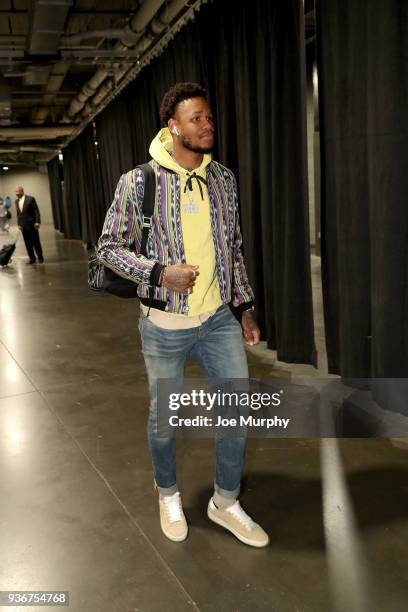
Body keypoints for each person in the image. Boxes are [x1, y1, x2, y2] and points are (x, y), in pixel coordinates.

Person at [99, 82, 269, 547]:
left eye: (209, 117)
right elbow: (108, 248)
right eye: (196, 118)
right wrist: (158, 274)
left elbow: (231, 249)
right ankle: (168, 494)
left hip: (217, 319)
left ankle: (226, 501)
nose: (207, 125)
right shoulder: (139, 182)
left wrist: (245, 306)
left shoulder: (223, 180)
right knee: (165, 418)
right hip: (164, 326)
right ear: (173, 126)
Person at [15, 186, 44, 264]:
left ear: (22, 191)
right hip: (23, 226)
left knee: (36, 242)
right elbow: (18, 214)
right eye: (16, 192)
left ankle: (40, 257)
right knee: (27, 243)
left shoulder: (30, 199)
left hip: (32, 224)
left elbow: (36, 211)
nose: (16, 194)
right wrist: (19, 224)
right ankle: (32, 258)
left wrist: (37, 222)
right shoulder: (16, 201)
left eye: (18, 192)